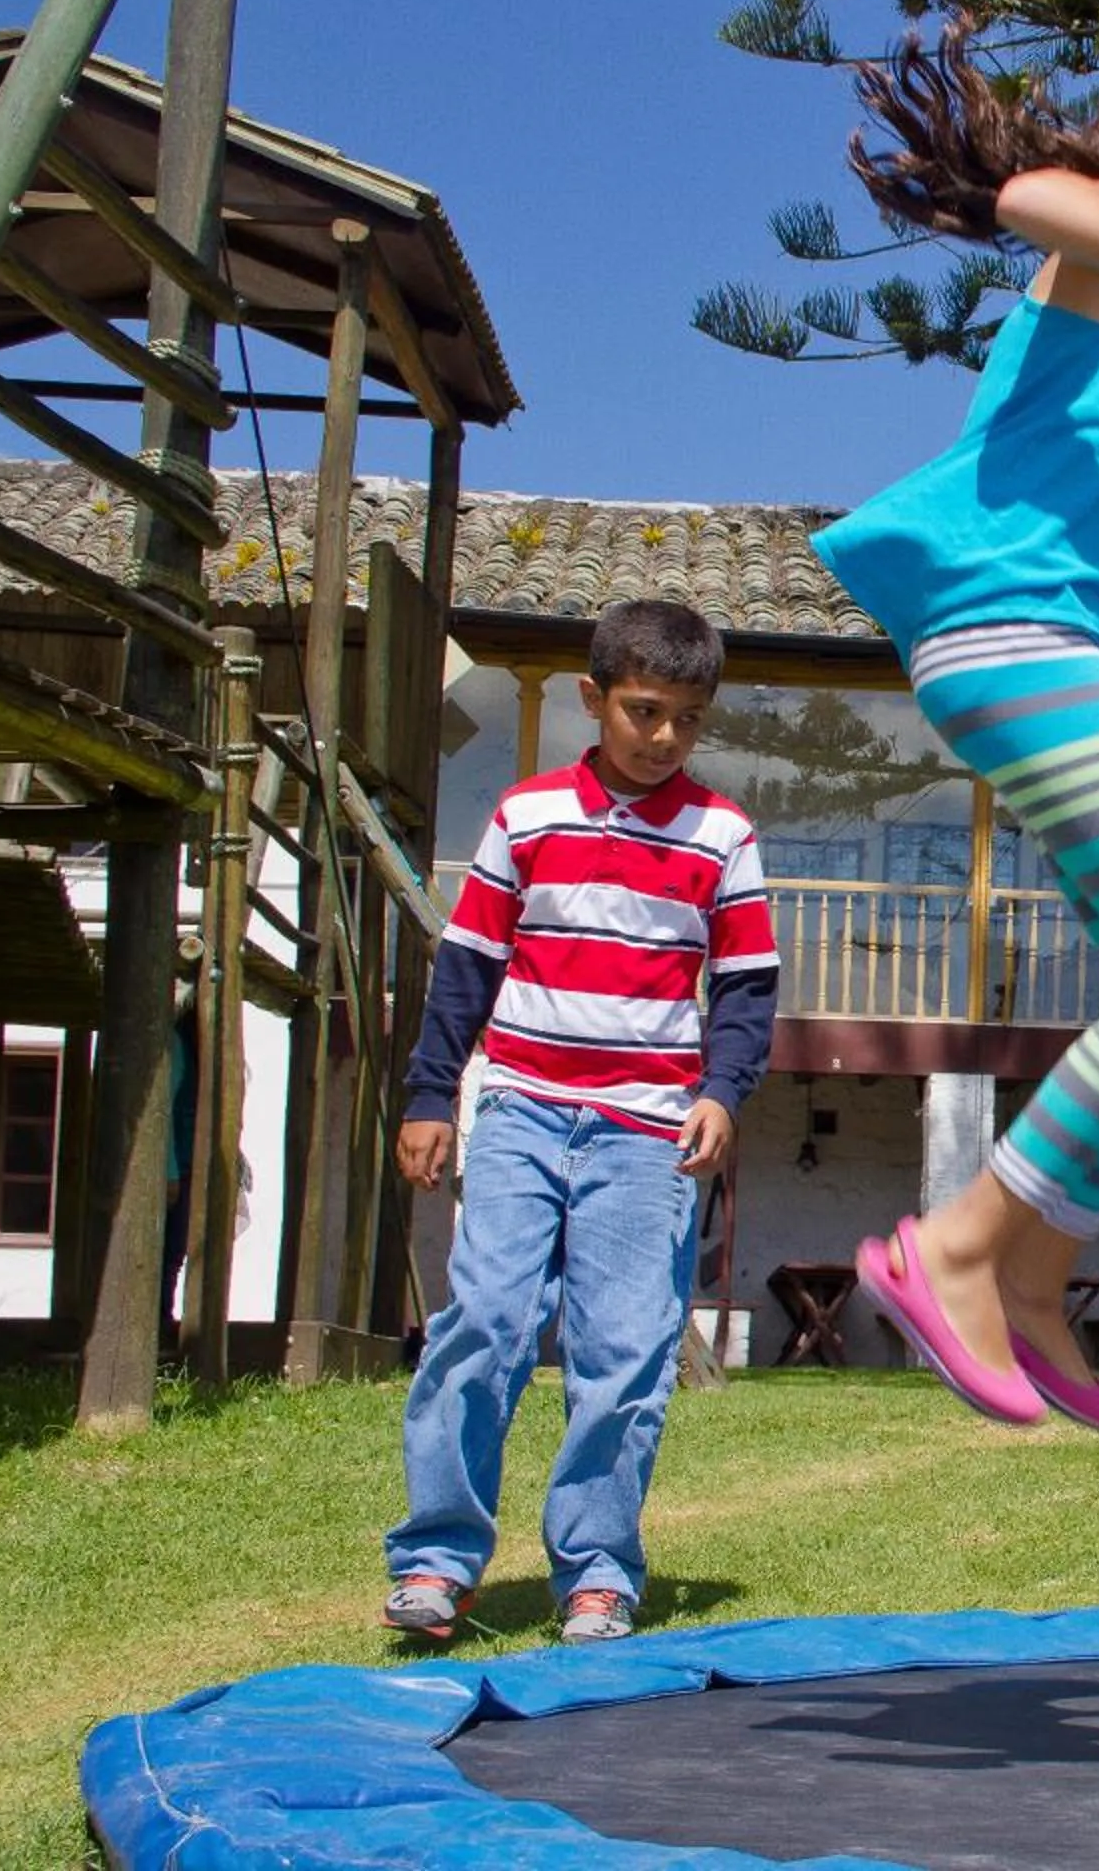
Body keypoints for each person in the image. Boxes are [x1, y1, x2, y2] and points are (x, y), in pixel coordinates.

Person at [806, 23, 1099, 1432]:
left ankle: (1031, 1280)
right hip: (1018, 645)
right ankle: (956, 1246)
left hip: (1024, 654)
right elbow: (1028, 199)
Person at [381, 599, 777, 1646]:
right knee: (485, 1324)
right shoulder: (524, 818)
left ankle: (596, 1571)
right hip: (518, 1109)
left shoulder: (724, 836)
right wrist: (430, 1096)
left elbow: (744, 991)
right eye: (644, 710)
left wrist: (721, 1093)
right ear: (594, 700)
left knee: (624, 1350)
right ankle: (436, 1556)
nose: (662, 736)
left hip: (648, 1132)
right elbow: (464, 974)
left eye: (688, 719)